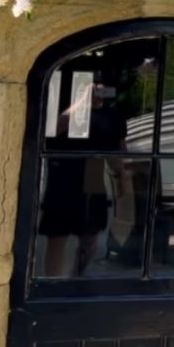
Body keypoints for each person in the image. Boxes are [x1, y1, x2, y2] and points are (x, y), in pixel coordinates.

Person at [38, 79, 129, 277]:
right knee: (58, 237)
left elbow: (117, 150)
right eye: (93, 88)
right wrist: (81, 103)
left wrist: (122, 177)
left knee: (90, 238)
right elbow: (50, 130)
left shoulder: (113, 116)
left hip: (93, 176)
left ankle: (74, 278)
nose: (98, 93)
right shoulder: (69, 108)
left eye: (102, 88)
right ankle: (53, 285)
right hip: (63, 175)